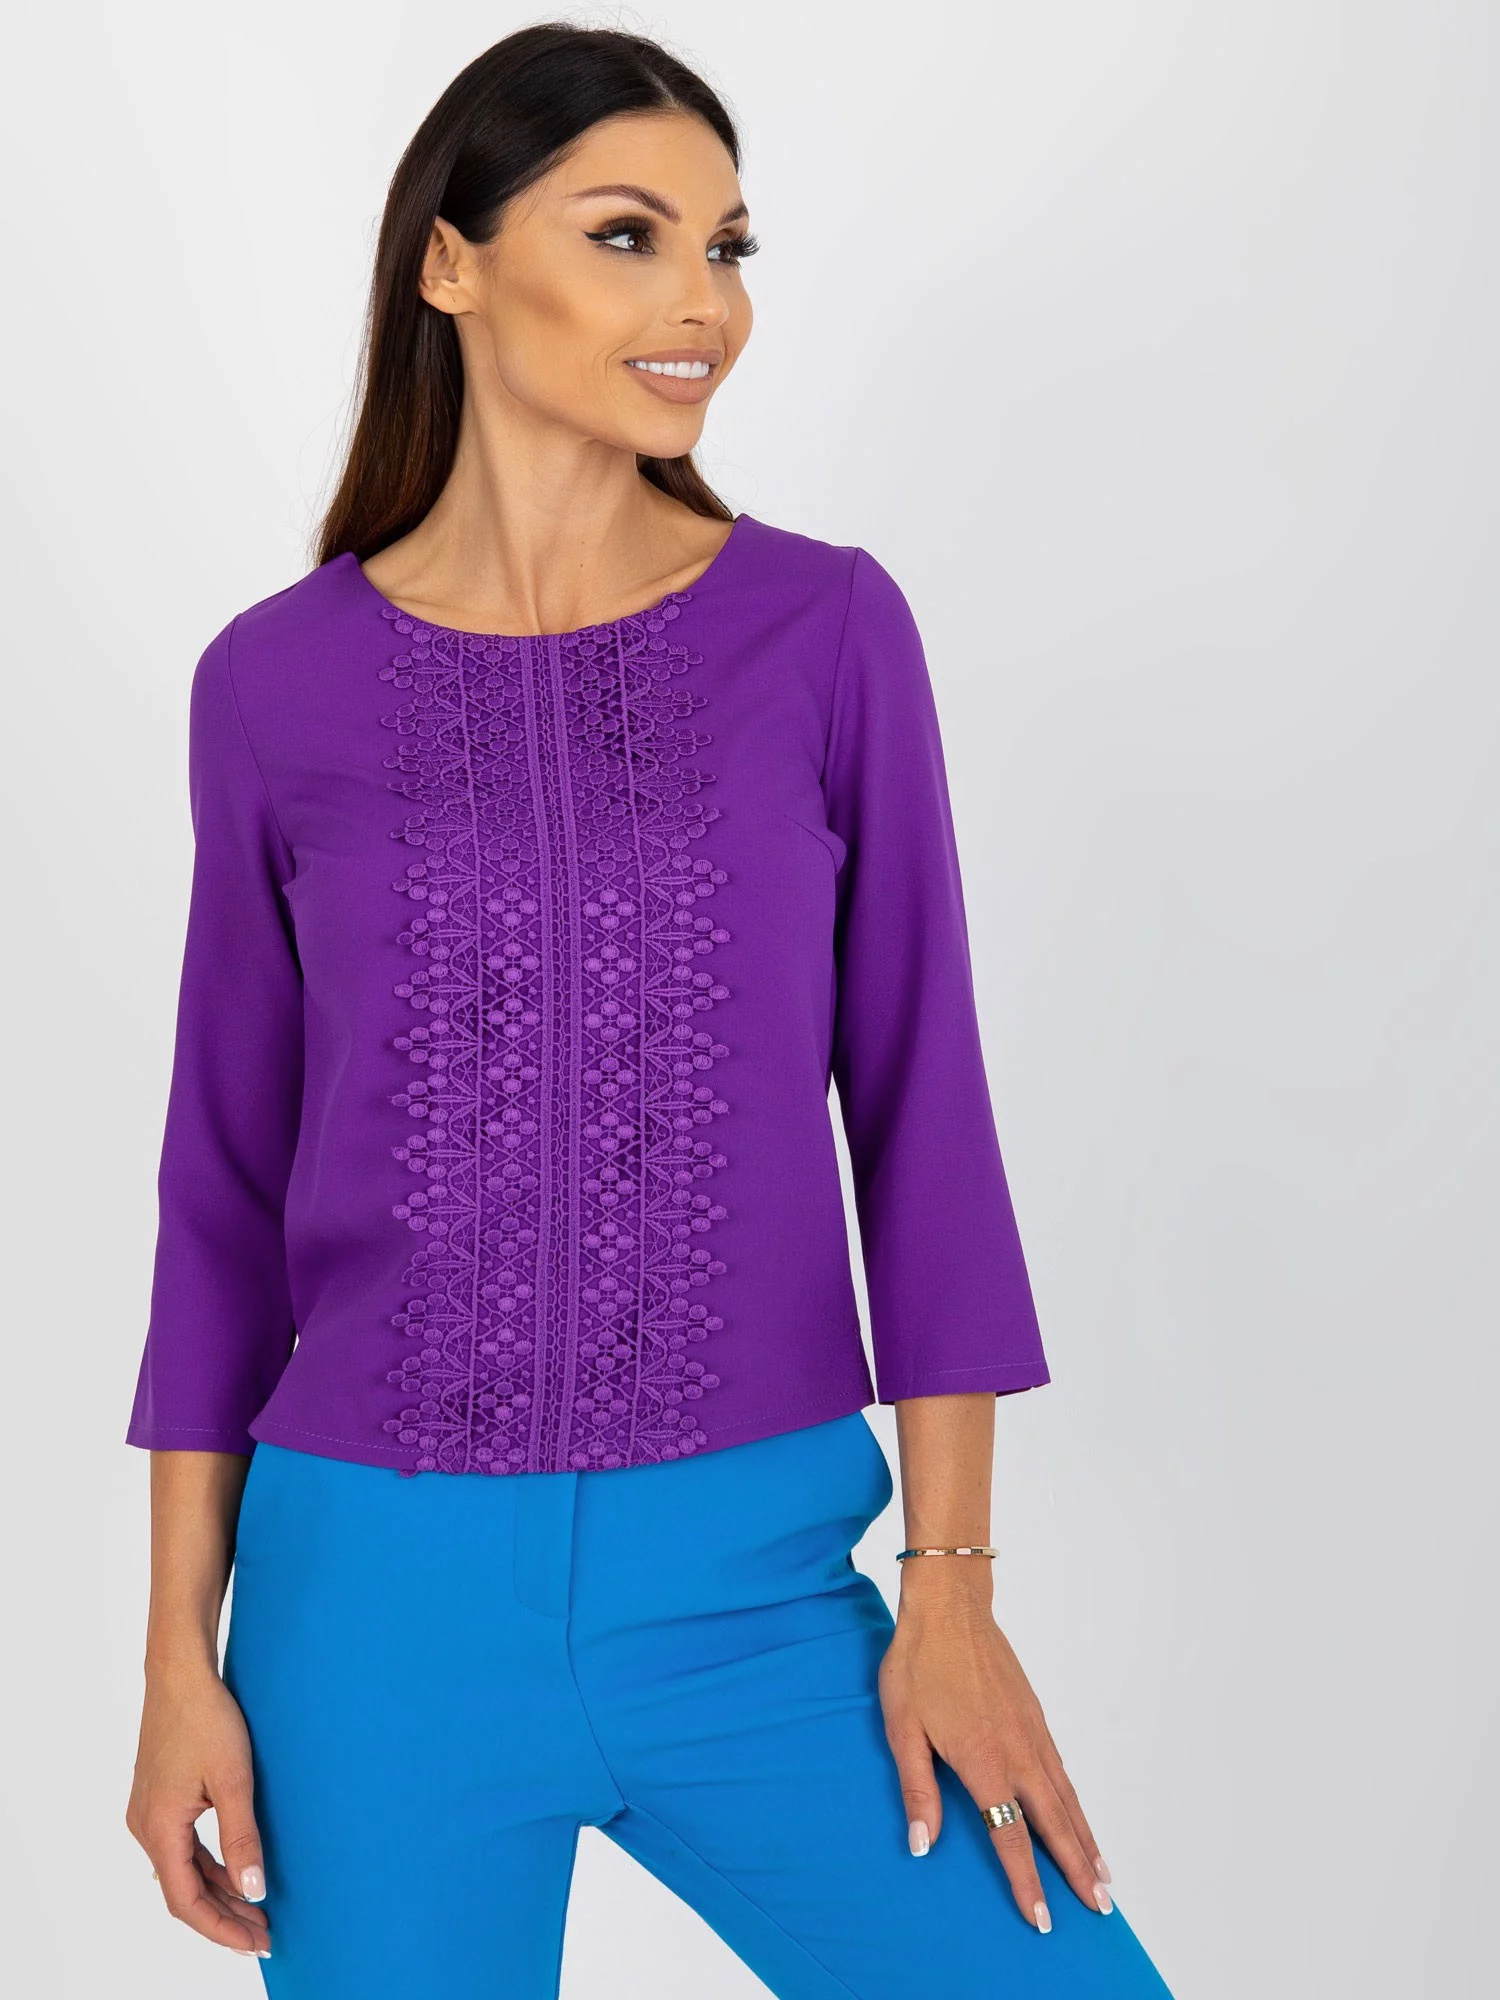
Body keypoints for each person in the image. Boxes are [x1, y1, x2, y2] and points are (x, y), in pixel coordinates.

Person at [122, 23, 1176, 1998]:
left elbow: (925, 1116)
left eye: (728, 247)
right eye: (630, 236)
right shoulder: (269, 682)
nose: (703, 301)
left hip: (758, 1592)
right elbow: (222, 1192)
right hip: (373, 1623)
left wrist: (952, 1591)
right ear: (451, 262)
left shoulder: (824, 628)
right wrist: (178, 1659)